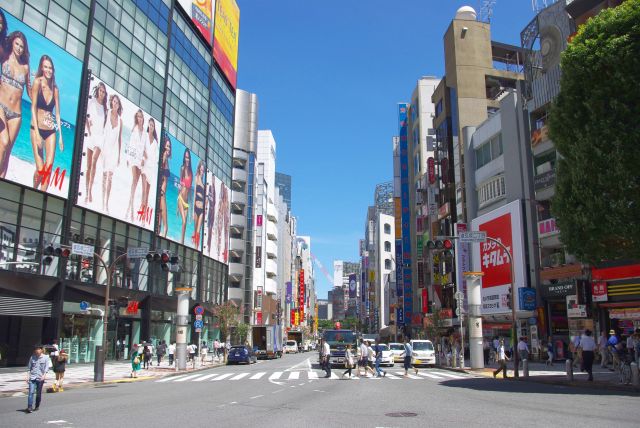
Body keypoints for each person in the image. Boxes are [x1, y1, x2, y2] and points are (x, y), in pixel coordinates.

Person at [30, 55, 63, 191]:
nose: (48, 70)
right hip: (36, 127)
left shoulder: (55, 89)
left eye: (50, 67)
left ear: (53, 70)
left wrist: (60, 135)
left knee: (48, 170)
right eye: (45, 67)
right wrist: (37, 134)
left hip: (51, 131)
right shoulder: (37, 82)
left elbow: (58, 114)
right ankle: (34, 189)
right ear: (42, 68)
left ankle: (42, 196)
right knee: (40, 169)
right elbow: (33, 107)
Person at [0, 31, 31, 178]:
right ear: (12, 42)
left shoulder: (25, 67)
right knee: (4, 143)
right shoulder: (4, 55)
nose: (19, 48)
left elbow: (30, 92)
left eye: (22, 46)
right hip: (1, 106)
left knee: (7, 152)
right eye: (17, 44)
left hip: (16, 115)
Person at [84, 82, 107, 204]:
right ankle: (88, 192)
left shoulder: (105, 108)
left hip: (99, 138)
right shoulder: (91, 102)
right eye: (100, 91)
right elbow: (86, 116)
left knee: (93, 162)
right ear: (97, 91)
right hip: (91, 136)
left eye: (104, 92)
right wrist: (88, 128)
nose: (102, 93)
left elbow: (106, 126)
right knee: (88, 167)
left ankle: (90, 190)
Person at [102, 94, 122, 213]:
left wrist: (119, 155)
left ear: (119, 106)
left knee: (110, 177)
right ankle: (102, 200)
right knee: (104, 176)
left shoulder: (120, 120)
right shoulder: (107, 113)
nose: (115, 104)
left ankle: (106, 203)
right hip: (105, 147)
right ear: (111, 103)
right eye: (114, 102)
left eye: (117, 103)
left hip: (114, 150)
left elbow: (119, 139)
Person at [125, 109, 145, 221]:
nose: (140, 119)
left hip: (140, 161)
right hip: (133, 159)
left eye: (141, 117)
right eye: (138, 117)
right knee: (134, 181)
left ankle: (129, 208)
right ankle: (131, 210)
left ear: (143, 118)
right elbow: (130, 145)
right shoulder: (135, 130)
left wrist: (143, 159)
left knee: (136, 183)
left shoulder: (145, 134)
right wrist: (128, 158)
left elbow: (144, 149)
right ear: (136, 118)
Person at [140, 117, 158, 216]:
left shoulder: (155, 142)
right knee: (143, 190)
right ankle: (142, 213)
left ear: (154, 127)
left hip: (151, 169)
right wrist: (143, 155)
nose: (151, 127)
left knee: (147, 193)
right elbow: (141, 147)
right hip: (144, 167)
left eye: (153, 125)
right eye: (150, 125)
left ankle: (143, 214)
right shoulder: (145, 135)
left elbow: (155, 159)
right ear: (148, 125)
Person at [25, 344, 50, 413]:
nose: (37, 350)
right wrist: (27, 376)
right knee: (31, 392)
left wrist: (44, 375)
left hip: (40, 378)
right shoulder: (32, 357)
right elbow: (29, 368)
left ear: (41, 350)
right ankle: (29, 407)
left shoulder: (46, 357)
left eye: (38, 349)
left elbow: (46, 368)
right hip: (32, 377)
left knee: (38, 394)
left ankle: (37, 405)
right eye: (36, 349)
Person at [158, 136, 171, 237]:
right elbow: (160, 169)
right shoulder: (163, 156)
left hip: (163, 190)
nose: (168, 148)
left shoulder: (167, 159)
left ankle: (160, 229)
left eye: (169, 146)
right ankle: (165, 227)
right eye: (167, 146)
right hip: (161, 190)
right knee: (162, 209)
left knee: (160, 212)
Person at [192, 161, 205, 247]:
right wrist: (193, 211)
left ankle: (196, 247)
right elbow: (194, 194)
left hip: (202, 209)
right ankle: (193, 245)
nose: (202, 172)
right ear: (199, 169)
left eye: (203, 170)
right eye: (201, 170)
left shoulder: (204, 183)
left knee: (198, 230)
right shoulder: (196, 178)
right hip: (196, 207)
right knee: (195, 228)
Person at [216, 181, 229, 262]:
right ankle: (219, 253)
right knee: (220, 237)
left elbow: (225, 214)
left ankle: (224, 256)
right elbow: (219, 213)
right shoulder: (221, 202)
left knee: (224, 239)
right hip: (222, 222)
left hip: (225, 223)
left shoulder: (226, 203)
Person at [205, 175, 216, 254]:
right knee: (209, 228)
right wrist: (205, 208)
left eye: (214, 179)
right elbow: (207, 200)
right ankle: (208, 245)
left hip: (213, 212)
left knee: (210, 229)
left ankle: (209, 246)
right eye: (212, 179)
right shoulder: (210, 188)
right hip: (210, 211)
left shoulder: (215, 190)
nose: (213, 180)